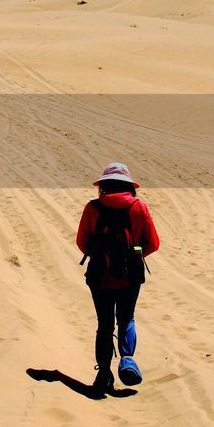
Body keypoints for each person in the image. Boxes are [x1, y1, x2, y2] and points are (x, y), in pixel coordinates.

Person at [75, 163, 160, 396]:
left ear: (103, 185)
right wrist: (131, 255)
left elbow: (82, 242)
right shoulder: (138, 206)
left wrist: (103, 256)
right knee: (126, 318)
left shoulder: (93, 208)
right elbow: (153, 243)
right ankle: (127, 360)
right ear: (128, 186)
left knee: (104, 324)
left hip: (99, 275)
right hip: (131, 275)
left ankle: (104, 372)